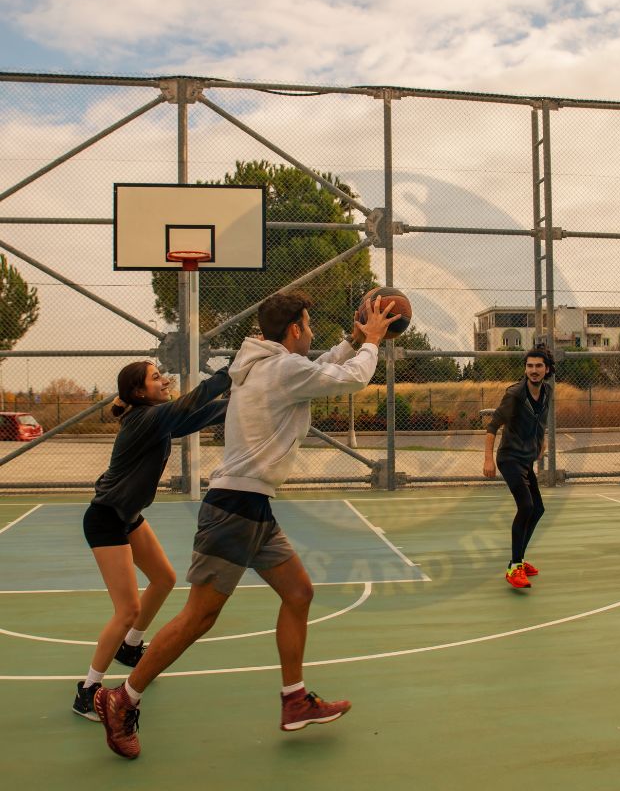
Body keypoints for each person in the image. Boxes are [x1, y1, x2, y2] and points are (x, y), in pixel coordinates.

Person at [94, 290, 399, 759]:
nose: (312, 332)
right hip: (234, 508)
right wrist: (372, 342)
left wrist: (352, 340)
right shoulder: (280, 369)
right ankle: (122, 697)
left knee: (299, 592)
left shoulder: (269, 364)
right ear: (294, 330)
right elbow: (348, 379)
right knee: (200, 616)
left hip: (252, 506)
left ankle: (295, 699)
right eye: (308, 325)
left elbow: (320, 369)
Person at [72, 360, 230, 721]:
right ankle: (87, 690)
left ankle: (130, 649)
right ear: (139, 392)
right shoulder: (145, 419)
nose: (164, 380)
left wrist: (249, 399)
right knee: (126, 610)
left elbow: (202, 414)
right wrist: (230, 373)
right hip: (106, 520)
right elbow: (192, 403)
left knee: (164, 579)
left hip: (127, 517)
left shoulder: (157, 418)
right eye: (155, 377)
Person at [482, 346, 554, 589]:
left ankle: (519, 561)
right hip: (509, 458)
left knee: (538, 509)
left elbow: (541, 419)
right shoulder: (515, 395)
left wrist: (542, 441)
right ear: (525, 369)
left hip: (525, 459)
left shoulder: (547, 391)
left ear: (547, 369)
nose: (533, 370)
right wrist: (488, 460)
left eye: (538, 366)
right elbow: (492, 427)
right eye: (529, 366)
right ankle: (514, 567)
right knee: (526, 506)